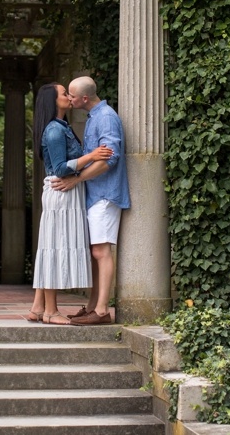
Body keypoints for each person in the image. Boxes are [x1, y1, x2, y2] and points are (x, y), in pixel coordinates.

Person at [27, 83, 113, 325]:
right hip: (62, 192)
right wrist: (92, 156)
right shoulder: (54, 130)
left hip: (66, 192)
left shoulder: (60, 126)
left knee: (50, 246)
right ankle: (51, 311)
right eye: (64, 93)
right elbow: (61, 168)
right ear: (53, 101)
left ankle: (37, 307)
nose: (68, 96)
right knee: (54, 248)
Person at [51, 76, 130, 326]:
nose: (70, 100)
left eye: (72, 96)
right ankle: (93, 306)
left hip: (105, 194)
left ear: (84, 98)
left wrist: (76, 180)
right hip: (96, 194)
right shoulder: (94, 116)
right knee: (95, 252)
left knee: (101, 251)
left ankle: (102, 310)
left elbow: (110, 159)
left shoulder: (105, 117)